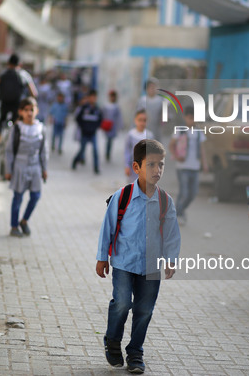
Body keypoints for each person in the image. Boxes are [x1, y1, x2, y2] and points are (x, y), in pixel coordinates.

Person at [96, 139, 180, 373]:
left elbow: (172, 232)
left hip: (151, 266)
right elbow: (108, 227)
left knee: (144, 310)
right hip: (123, 262)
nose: (157, 170)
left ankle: (135, 352)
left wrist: (171, 258)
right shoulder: (122, 197)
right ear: (136, 167)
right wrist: (102, 257)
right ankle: (112, 341)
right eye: (151, 165)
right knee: (122, 303)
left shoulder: (165, 200)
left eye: (161, 165)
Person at [4, 97, 48, 237]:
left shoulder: (41, 128)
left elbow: (44, 151)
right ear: (21, 112)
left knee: (36, 196)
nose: (29, 113)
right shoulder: (16, 128)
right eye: (26, 110)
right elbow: (9, 150)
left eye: (32, 109)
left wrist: (44, 169)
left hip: (35, 166)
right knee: (18, 197)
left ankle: (24, 220)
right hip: (19, 166)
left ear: (37, 111)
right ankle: (14, 226)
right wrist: (8, 170)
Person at [0, 53, 38, 146]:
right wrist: (32, 104)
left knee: (2, 118)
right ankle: (15, 138)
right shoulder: (24, 74)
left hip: (5, 101)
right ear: (19, 64)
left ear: (9, 63)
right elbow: (34, 93)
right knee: (17, 120)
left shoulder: (3, 74)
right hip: (18, 103)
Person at [169, 108, 208, 226]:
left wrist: (204, 163)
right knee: (184, 192)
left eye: (195, 118)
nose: (193, 121)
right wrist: (176, 156)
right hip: (182, 166)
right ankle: (179, 214)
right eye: (190, 118)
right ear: (185, 117)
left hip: (195, 166)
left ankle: (179, 211)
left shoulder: (198, 132)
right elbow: (171, 145)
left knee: (193, 193)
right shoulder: (179, 130)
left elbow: (202, 148)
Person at [72, 90, 103, 174]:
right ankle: (75, 161)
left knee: (95, 150)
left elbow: (100, 119)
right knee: (82, 150)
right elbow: (78, 118)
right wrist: (83, 127)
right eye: (91, 97)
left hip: (93, 133)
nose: (93, 99)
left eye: (94, 97)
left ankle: (96, 168)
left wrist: (95, 127)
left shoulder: (97, 108)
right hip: (84, 133)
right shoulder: (84, 107)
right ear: (89, 98)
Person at [125, 109, 153, 183]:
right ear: (135, 120)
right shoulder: (131, 134)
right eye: (140, 120)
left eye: (144, 120)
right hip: (133, 167)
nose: (142, 123)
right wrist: (127, 166)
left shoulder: (149, 135)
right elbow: (127, 151)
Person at [136, 78, 163, 143]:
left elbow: (166, 117)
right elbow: (137, 115)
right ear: (146, 88)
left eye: (155, 87)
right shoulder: (142, 101)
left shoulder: (161, 101)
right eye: (151, 87)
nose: (153, 89)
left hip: (156, 129)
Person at [102, 90, 123, 162]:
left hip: (113, 126)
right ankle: (107, 153)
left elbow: (119, 117)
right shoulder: (106, 106)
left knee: (110, 140)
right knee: (108, 140)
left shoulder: (116, 107)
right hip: (107, 125)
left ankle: (108, 153)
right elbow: (103, 115)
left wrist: (119, 126)